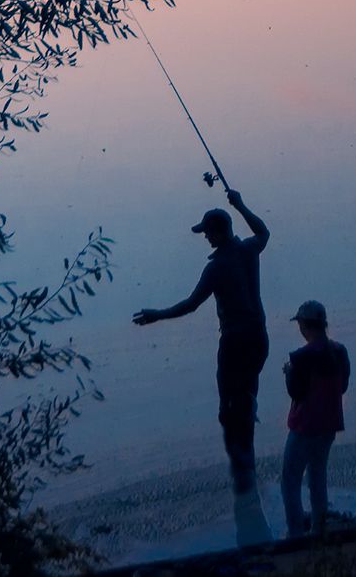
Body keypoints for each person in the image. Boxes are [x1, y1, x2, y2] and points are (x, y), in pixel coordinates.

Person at [132, 189, 271, 503]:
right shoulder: (250, 249)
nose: (205, 238)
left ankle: (243, 476)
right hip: (259, 337)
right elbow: (263, 231)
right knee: (247, 399)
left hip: (235, 340)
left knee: (228, 410)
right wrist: (241, 203)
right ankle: (247, 465)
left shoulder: (217, 267)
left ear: (220, 232)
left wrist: (158, 315)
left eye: (208, 232)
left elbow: (192, 305)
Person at [279, 299, 349, 539]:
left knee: (290, 480)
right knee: (318, 477)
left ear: (305, 326)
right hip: (329, 425)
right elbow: (343, 387)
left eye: (300, 324)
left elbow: (295, 392)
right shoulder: (340, 351)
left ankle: (295, 533)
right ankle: (320, 529)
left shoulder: (301, 357)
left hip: (304, 426)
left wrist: (289, 373)